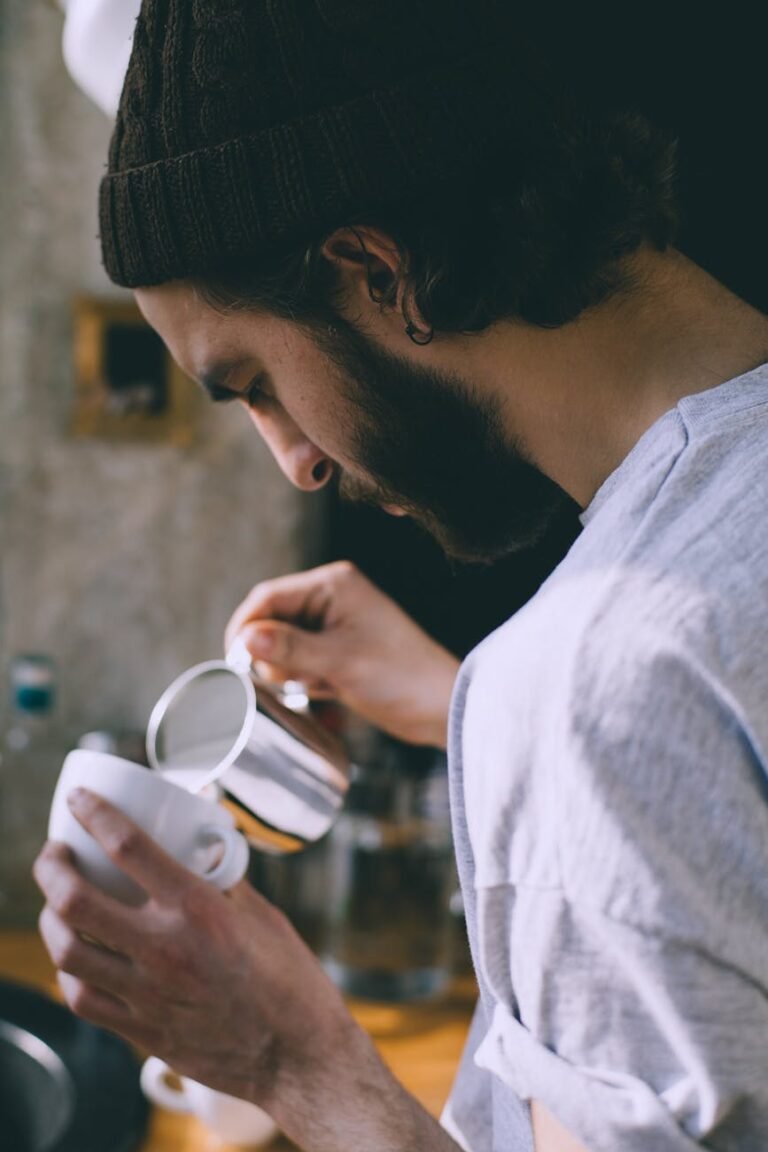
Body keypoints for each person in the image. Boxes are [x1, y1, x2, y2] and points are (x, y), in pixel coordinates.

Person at [33, 3, 768, 1149]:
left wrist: (289, 1061)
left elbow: (643, 703)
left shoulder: (603, 674)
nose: (298, 462)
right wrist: (460, 704)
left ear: (377, 267)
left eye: (254, 381)